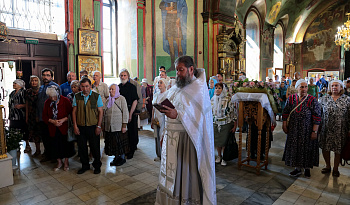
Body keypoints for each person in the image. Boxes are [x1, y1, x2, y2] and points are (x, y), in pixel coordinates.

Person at [155, 56, 216, 205]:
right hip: (171, 137)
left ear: (190, 69)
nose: (178, 74)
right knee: (172, 174)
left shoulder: (199, 88)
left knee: (185, 174)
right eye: (176, 70)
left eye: (181, 70)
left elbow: (199, 117)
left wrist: (178, 114)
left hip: (188, 139)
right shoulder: (177, 86)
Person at [282, 79, 321, 178]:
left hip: (307, 130)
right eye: (301, 87)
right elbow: (285, 112)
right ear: (297, 88)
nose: (304, 89)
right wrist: (284, 124)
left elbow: (317, 116)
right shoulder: (291, 98)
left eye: (305, 87)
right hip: (294, 129)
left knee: (307, 148)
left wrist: (314, 131)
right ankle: (297, 168)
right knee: (295, 148)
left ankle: (307, 168)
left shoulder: (312, 100)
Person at [319, 80, 350, 177]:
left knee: (338, 149)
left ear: (341, 87)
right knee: (325, 148)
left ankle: (336, 168)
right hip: (326, 128)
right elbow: (319, 114)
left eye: (336, 85)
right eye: (332, 86)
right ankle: (328, 166)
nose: (334, 87)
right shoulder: (323, 99)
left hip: (341, 129)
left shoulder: (347, 99)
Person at [72, 78, 103, 174]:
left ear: (90, 86)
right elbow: (74, 112)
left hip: (93, 126)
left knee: (95, 147)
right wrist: (75, 126)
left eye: (87, 86)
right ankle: (85, 165)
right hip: (81, 126)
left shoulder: (96, 96)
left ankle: (97, 165)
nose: (85, 89)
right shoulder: (77, 96)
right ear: (80, 87)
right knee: (82, 148)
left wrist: (99, 126)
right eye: (83, 86)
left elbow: (100, 111)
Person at [42, 86, 75, 171]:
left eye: (53, 96)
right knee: (55, 145)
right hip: (53, 128)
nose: (52, 98)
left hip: (64, 128)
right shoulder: (47, 102)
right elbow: (44, 116)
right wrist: (52, 121)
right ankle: (59, 162)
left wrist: (63, 120)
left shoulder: (65, 100)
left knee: (66, 145)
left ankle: (66, 162)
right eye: (50, 96)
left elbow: (71, 114)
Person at [37, 68, 61, 162]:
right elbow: (39, 103)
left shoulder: (55, 87)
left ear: (51, 77)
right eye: (44, 75)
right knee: (45, 138)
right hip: (42, 117)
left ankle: (55, 156)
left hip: (52, 117)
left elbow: (59, 102)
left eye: (48, 75)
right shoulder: (41, 87)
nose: (46, 77)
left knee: (53, 138)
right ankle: (47, 155)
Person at [103, 84, 129, 166]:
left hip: (119, 126)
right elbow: (105, 113)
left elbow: (125, 112)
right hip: (110, 127)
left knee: (120, 143)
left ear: (117, 90)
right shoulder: (108, 100)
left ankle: (122, 158)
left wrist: (124, 125)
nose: (111, 91)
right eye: (110, 89)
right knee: (113, 143)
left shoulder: (121, 99)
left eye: (112, 89)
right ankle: (116, 157)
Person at [211, 82, 237, 166]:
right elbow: (210, 111)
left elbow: (233, 112)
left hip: (226, 123)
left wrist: (235, 125)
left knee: (224, 142)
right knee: (218, 141)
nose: (217, 90)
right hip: (215, 122)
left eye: (219, 88)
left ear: (223, 90)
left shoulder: (228, 99)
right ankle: (219, 156)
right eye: (216, 88)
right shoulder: (212, 98)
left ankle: (224, 157)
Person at [159, 1, 188, 72]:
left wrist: (179, 18)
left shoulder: (181, 1)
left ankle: (181, 66)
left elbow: (184, 8)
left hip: (176, 20)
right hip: (168, 20)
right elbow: (160, 5)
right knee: (171, 44)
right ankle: (172, 65)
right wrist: (167, 8)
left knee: (179, 44)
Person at [119, 69, 139, 159]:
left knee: (132, 132)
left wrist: (130, 114)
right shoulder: (118, 87)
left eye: (124, 75)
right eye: (121, 75)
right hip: (120, 112)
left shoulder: (132, 87)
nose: (123, 77)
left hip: (130, 110)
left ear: (128, 76)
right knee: (123, 132)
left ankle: (132, 150)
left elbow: (135, 101)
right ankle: (125, 149)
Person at [151, 78, 168, 162]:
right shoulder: (156, 94)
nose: (159, 84)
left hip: (164, 118)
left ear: (165, 84)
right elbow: (153, 108)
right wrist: (152, 118)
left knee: (163, 136)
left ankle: (164, 155)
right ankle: (158, 154)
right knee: (156, 137)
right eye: (158, 83)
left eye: (161, 83)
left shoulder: (167, 94)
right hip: (156, 117)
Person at [9, 79, 27, 150]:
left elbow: (28, 104)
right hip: (13, 115)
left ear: (20, 84)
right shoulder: (12, 93)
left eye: (15, 83)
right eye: (13, 83)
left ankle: (27, 146)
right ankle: (16, 146)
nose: (13, 84)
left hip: (21, 115)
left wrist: (22, 106)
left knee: (23, 130)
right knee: (13, 130)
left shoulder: (24, 92)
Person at [26, 76, 41, 155]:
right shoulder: (28, 91)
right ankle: (37, 150)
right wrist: (27, 116)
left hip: (40, 114)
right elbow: (27, 104)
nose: (34, 82)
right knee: (34, 133)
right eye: (32, 81)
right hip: (32, 114)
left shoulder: (41, 90)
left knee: (41, 133)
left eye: (35, 80)